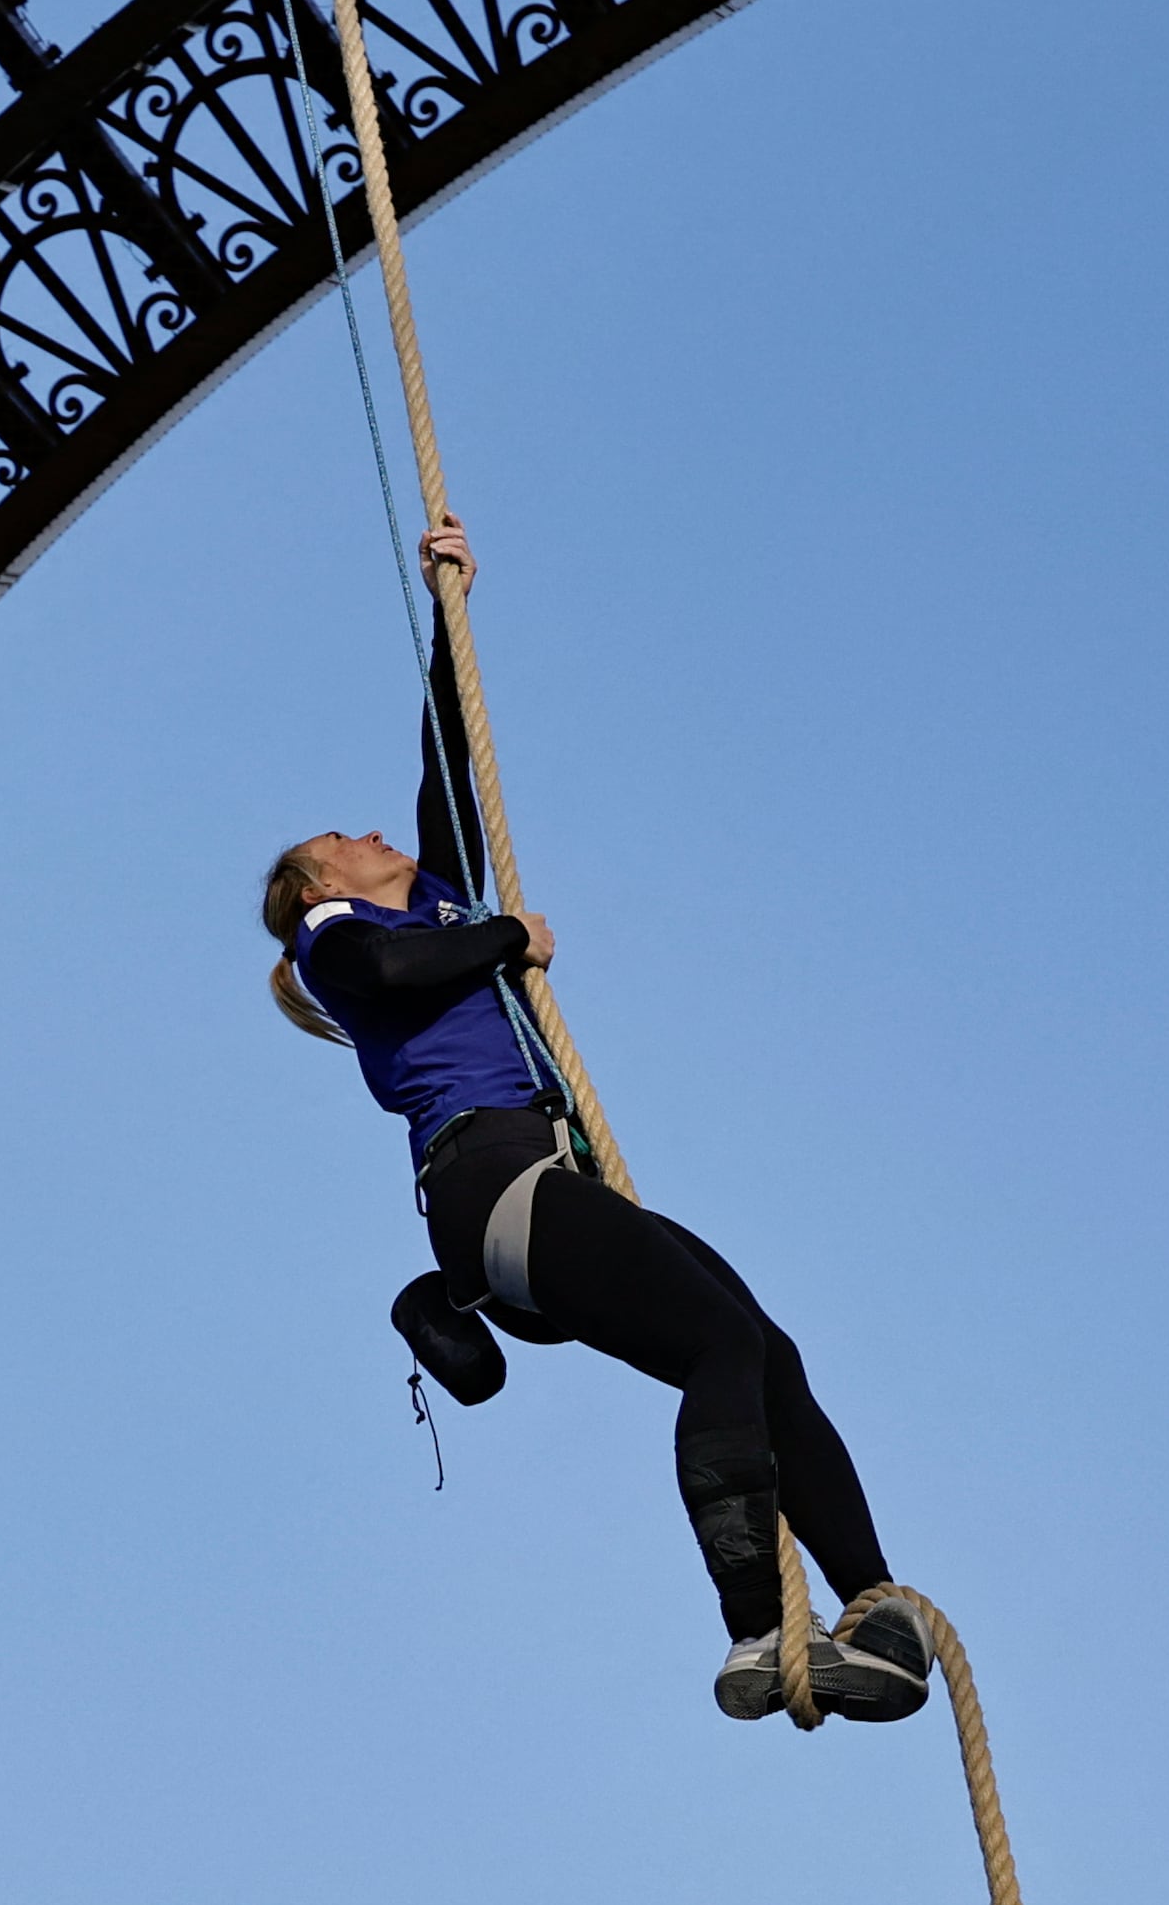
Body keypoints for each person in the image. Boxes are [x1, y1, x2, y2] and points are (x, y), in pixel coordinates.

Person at [262, 515, 928, 1725]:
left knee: (761, 1350)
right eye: (340, 839)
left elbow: (446, 762)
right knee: (717, 1345)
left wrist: (446, 611)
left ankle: (870, 1611)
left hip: (545, 1183)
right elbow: (398, 976)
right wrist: (508, 937)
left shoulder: (431, 901)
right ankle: (752, 1634)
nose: (369, 833)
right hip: (490, 1180)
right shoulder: (332, 938)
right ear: (318, 884)